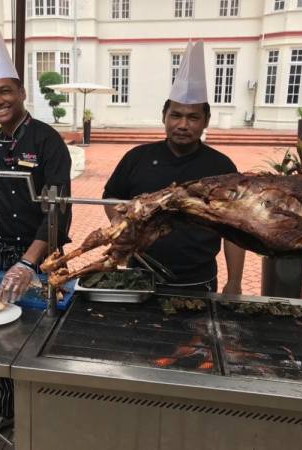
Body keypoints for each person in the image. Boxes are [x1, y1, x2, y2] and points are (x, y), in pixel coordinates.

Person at [0, 13, 72, 446]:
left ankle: (47, 405)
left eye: (4, 91)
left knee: (42, 333)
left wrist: (30, 262)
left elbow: (58, 211)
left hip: (42, 255)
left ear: (22, 93)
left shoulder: (47, 142)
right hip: (0, 253)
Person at [103, 42, 244, 294]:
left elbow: (236, 230)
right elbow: (111, 196)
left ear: (205, 121)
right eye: (176, 115)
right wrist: (120, 222)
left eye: (192, 118)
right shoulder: (137, 157)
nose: (182, 124)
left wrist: (234, 281)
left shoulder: (222, 167)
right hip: (140, 275)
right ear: (164, 117)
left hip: (198, 279)